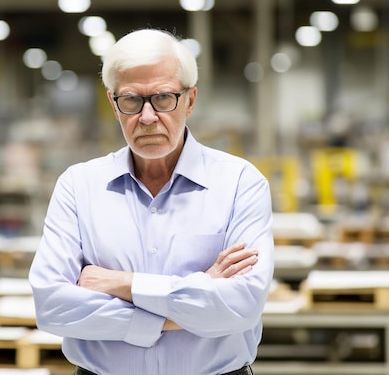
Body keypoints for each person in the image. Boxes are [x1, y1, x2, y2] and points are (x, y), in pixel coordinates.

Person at [29, 28, 274, 375]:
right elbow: (53, 307)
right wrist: (194, 299)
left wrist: (122, 284)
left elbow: (242, 305)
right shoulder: (78, 186)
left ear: (189, 101)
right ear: (115, 106)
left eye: (162, 98)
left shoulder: (239, 183)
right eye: (131, 100)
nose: (146, 117)